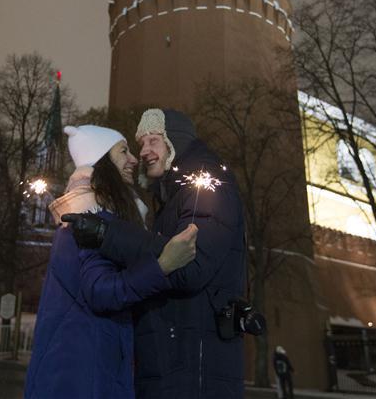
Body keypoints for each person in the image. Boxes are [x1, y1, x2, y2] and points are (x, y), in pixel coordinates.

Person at [65, 109, 247, 399]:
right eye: (140, 143)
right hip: (175, 357)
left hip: (192, 367)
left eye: (153, 140)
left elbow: (189, 263)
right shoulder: (172, 197)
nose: (144, 151)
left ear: (174, 141)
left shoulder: (206, 185)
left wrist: (109, 235)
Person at [25, 124, 198, 399]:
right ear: (102, 161)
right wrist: (163, 265)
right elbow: (101, 291)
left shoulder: (89, 214)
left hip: (79, 371)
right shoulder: (88, 219)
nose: (134, 159)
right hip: (82, 378)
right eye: (123, 151)